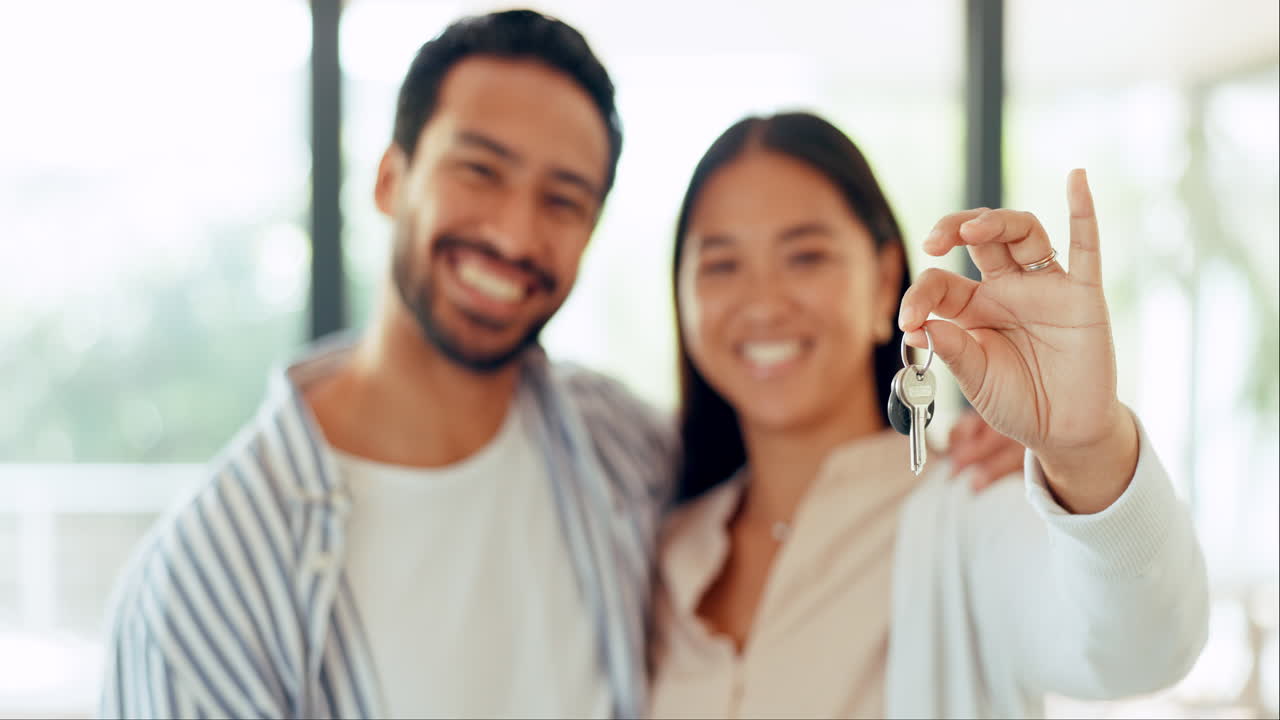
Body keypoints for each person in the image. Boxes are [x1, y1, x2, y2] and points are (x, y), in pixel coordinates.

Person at [98, 10, 1027, 720]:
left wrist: (1042, 462)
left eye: (563, 198)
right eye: (480, 170)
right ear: (391, 180)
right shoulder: (205, 581)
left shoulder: (618, 445)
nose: (513, 232)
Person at [646, 112, 1209, 718]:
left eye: (805, 257)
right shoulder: (669, 547)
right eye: (722, 264)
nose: (763, 302)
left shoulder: (972, 509)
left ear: (887, 280)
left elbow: (1143, 650)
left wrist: (1086, 449)